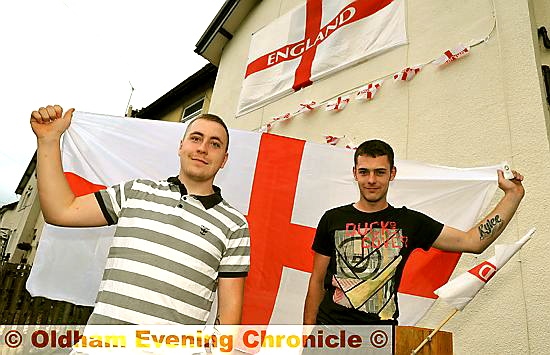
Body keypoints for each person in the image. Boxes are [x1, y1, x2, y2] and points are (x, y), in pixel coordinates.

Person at [30, 105, 250, 325]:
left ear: (224, 159)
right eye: (196, 138)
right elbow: (61, 211)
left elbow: (229, 312)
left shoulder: (234, 225)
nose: (203, 148)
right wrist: (48, 140)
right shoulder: (136, 192)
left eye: (215, 144)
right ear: (181, 146)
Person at [303, 139, 525, 325]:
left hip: (381, 337)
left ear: (392, 173)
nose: (371, 180)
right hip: (330, 333)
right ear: (355, 173)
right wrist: (308, 338)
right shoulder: (332, 218)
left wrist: (513, 195)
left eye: (380, 172)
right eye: (364, 172)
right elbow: (317, 281)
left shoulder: (409, 222)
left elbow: (472, 242)